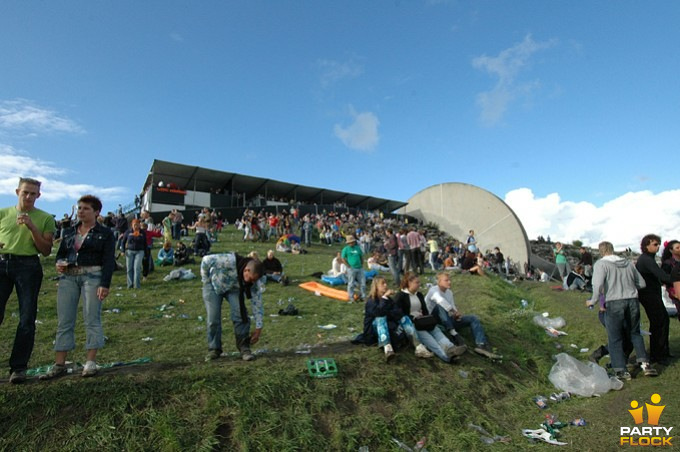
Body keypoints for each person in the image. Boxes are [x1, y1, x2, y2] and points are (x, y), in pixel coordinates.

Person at [40, 195, 115, 380]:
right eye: (79, 207)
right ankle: (59, 364)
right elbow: (61, 254)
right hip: (68, 277)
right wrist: (59, 264)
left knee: (91, 317)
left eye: (86, 208)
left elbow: (108, 260)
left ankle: (90, 361)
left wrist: (105, 284)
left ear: (96, 212)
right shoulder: (69, 231)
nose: (81, 211)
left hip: (93, 276)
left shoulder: (105, 233)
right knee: (64, 320)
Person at [0, 177, 55, 383]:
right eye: (25, 192)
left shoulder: (45, 218)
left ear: (39, 196)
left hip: (28, 266)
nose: (29, 197)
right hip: (2, 262)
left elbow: (46, 250)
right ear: (17, 192)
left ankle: (18, 368)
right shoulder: (3, 213)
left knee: (27, 317)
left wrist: (32, 227)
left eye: (33, 193)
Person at [586, 241, 657, 380]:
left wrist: (593, 300)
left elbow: (598, 284)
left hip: (614, 301)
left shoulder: (601, 264)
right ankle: (645, 364)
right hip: (632, 300)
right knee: (635, 333)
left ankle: (621, 370)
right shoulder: (628, 263)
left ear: (601, 251)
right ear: (613, 250)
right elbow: (641, 283)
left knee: (615, 337)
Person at [201, 253, 264, 361]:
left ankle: (244, 347)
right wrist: (206, 280)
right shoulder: (228, 260)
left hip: (234, 289)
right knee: (213, 318)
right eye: (251, 279)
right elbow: (206, 260)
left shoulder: (254, 282)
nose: (252, 282)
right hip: (213, 285)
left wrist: (258, 328)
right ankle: (214, 349)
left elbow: (257, 303)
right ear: (246, 270)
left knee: (240, 313)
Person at [425, 272, 501, 359]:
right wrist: (453, 311)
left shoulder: (449, 292)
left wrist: (456, 315)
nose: (449, 282)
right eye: (446, 280)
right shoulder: (433, 290)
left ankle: (481, 345)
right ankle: (454, 335)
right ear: (439, 282)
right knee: (440, 306)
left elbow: (452, 307)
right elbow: (441, 301)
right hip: (433, 319)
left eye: (449, 280)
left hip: (446, 320)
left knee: (473, 318)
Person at [359, 276, 433, 361]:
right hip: (374, 333)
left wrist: (388, 307)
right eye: (382, 283)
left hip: (390, 329)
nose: (386, 285)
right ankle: (387, 348)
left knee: (404, 318)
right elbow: (378, 313)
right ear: (376, 286)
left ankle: (418, 346)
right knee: (380, 318)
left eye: (386, 283)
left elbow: (398, 313)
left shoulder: (389, 300)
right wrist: (384, 298)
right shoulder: (371, 301)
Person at [393, 272, 460, 363]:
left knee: (437, 332)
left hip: (423, 320)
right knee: (429, 339)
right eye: (417, 282)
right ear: (409, 283)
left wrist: (425, 316)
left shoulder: (419, 295)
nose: (419, 285)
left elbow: (425, 309)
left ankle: (451, 348)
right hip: (413, 324)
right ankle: (447, 357)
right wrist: (412, 316)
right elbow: (398, 313)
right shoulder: (400, 296)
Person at [635, 234, 672, 365]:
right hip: (648, 294)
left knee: (663, 320)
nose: (657, 247)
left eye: (658, 244)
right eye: (655, 244)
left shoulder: (648, 258)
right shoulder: (646, 259)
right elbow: (662, 276)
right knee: (659, 322)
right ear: (646, 246)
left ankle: (662, 352)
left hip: (652, 294)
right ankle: (657, 355)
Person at [121, 219, 146, 289]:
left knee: (137, 268)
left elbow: (145, 243)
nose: (136, 226)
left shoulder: (142, 233)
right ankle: (129, 284)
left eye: (137, 225)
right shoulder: (128, 232)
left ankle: (137, 285)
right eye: (134, 225)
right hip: (130, 251)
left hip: (140, 251)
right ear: (132, 225)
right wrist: (123, 250)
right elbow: (123, 242)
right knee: (129, 268)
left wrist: (146, 253)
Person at [340, 235, 366, 302]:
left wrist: (362, 263)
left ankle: (363, 296)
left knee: (363, 283)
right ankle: (351, 297)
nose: (352, 243)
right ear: (348, 243)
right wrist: (348, 266)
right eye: (350, 242)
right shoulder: (345, 249)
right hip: (351, 268)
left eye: (353, 242)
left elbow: (361, 256)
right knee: (351, 283)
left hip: (360, 268)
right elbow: (343, 258)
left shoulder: (357, 248)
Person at [661, 240, 680, 319]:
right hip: (675, 289)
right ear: (671, 250)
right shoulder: (668, 263)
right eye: (678, 248)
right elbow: (664, 278)